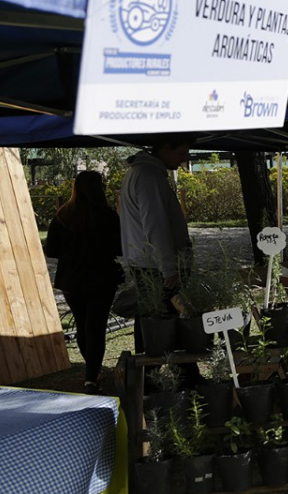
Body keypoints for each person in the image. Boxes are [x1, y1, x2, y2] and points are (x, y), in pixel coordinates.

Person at [120, 135, 200, 385]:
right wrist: (169, 268)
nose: (185, 158)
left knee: (153, 323)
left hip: (148, 263)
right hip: (155, 266)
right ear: (165, 146)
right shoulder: (148, 175)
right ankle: (172, 379)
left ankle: (156, 379)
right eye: (181, 151)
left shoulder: (143, 172)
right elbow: (155, 225)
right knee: (166, 323)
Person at [45, 171, 122, 395]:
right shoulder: (108, 216)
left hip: (72, 280)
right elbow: (119, 248)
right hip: (101, 278)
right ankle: (92, 375)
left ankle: (92, 371)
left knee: (82, 324)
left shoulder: (62, 216)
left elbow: (51, 250)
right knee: (96, 327)